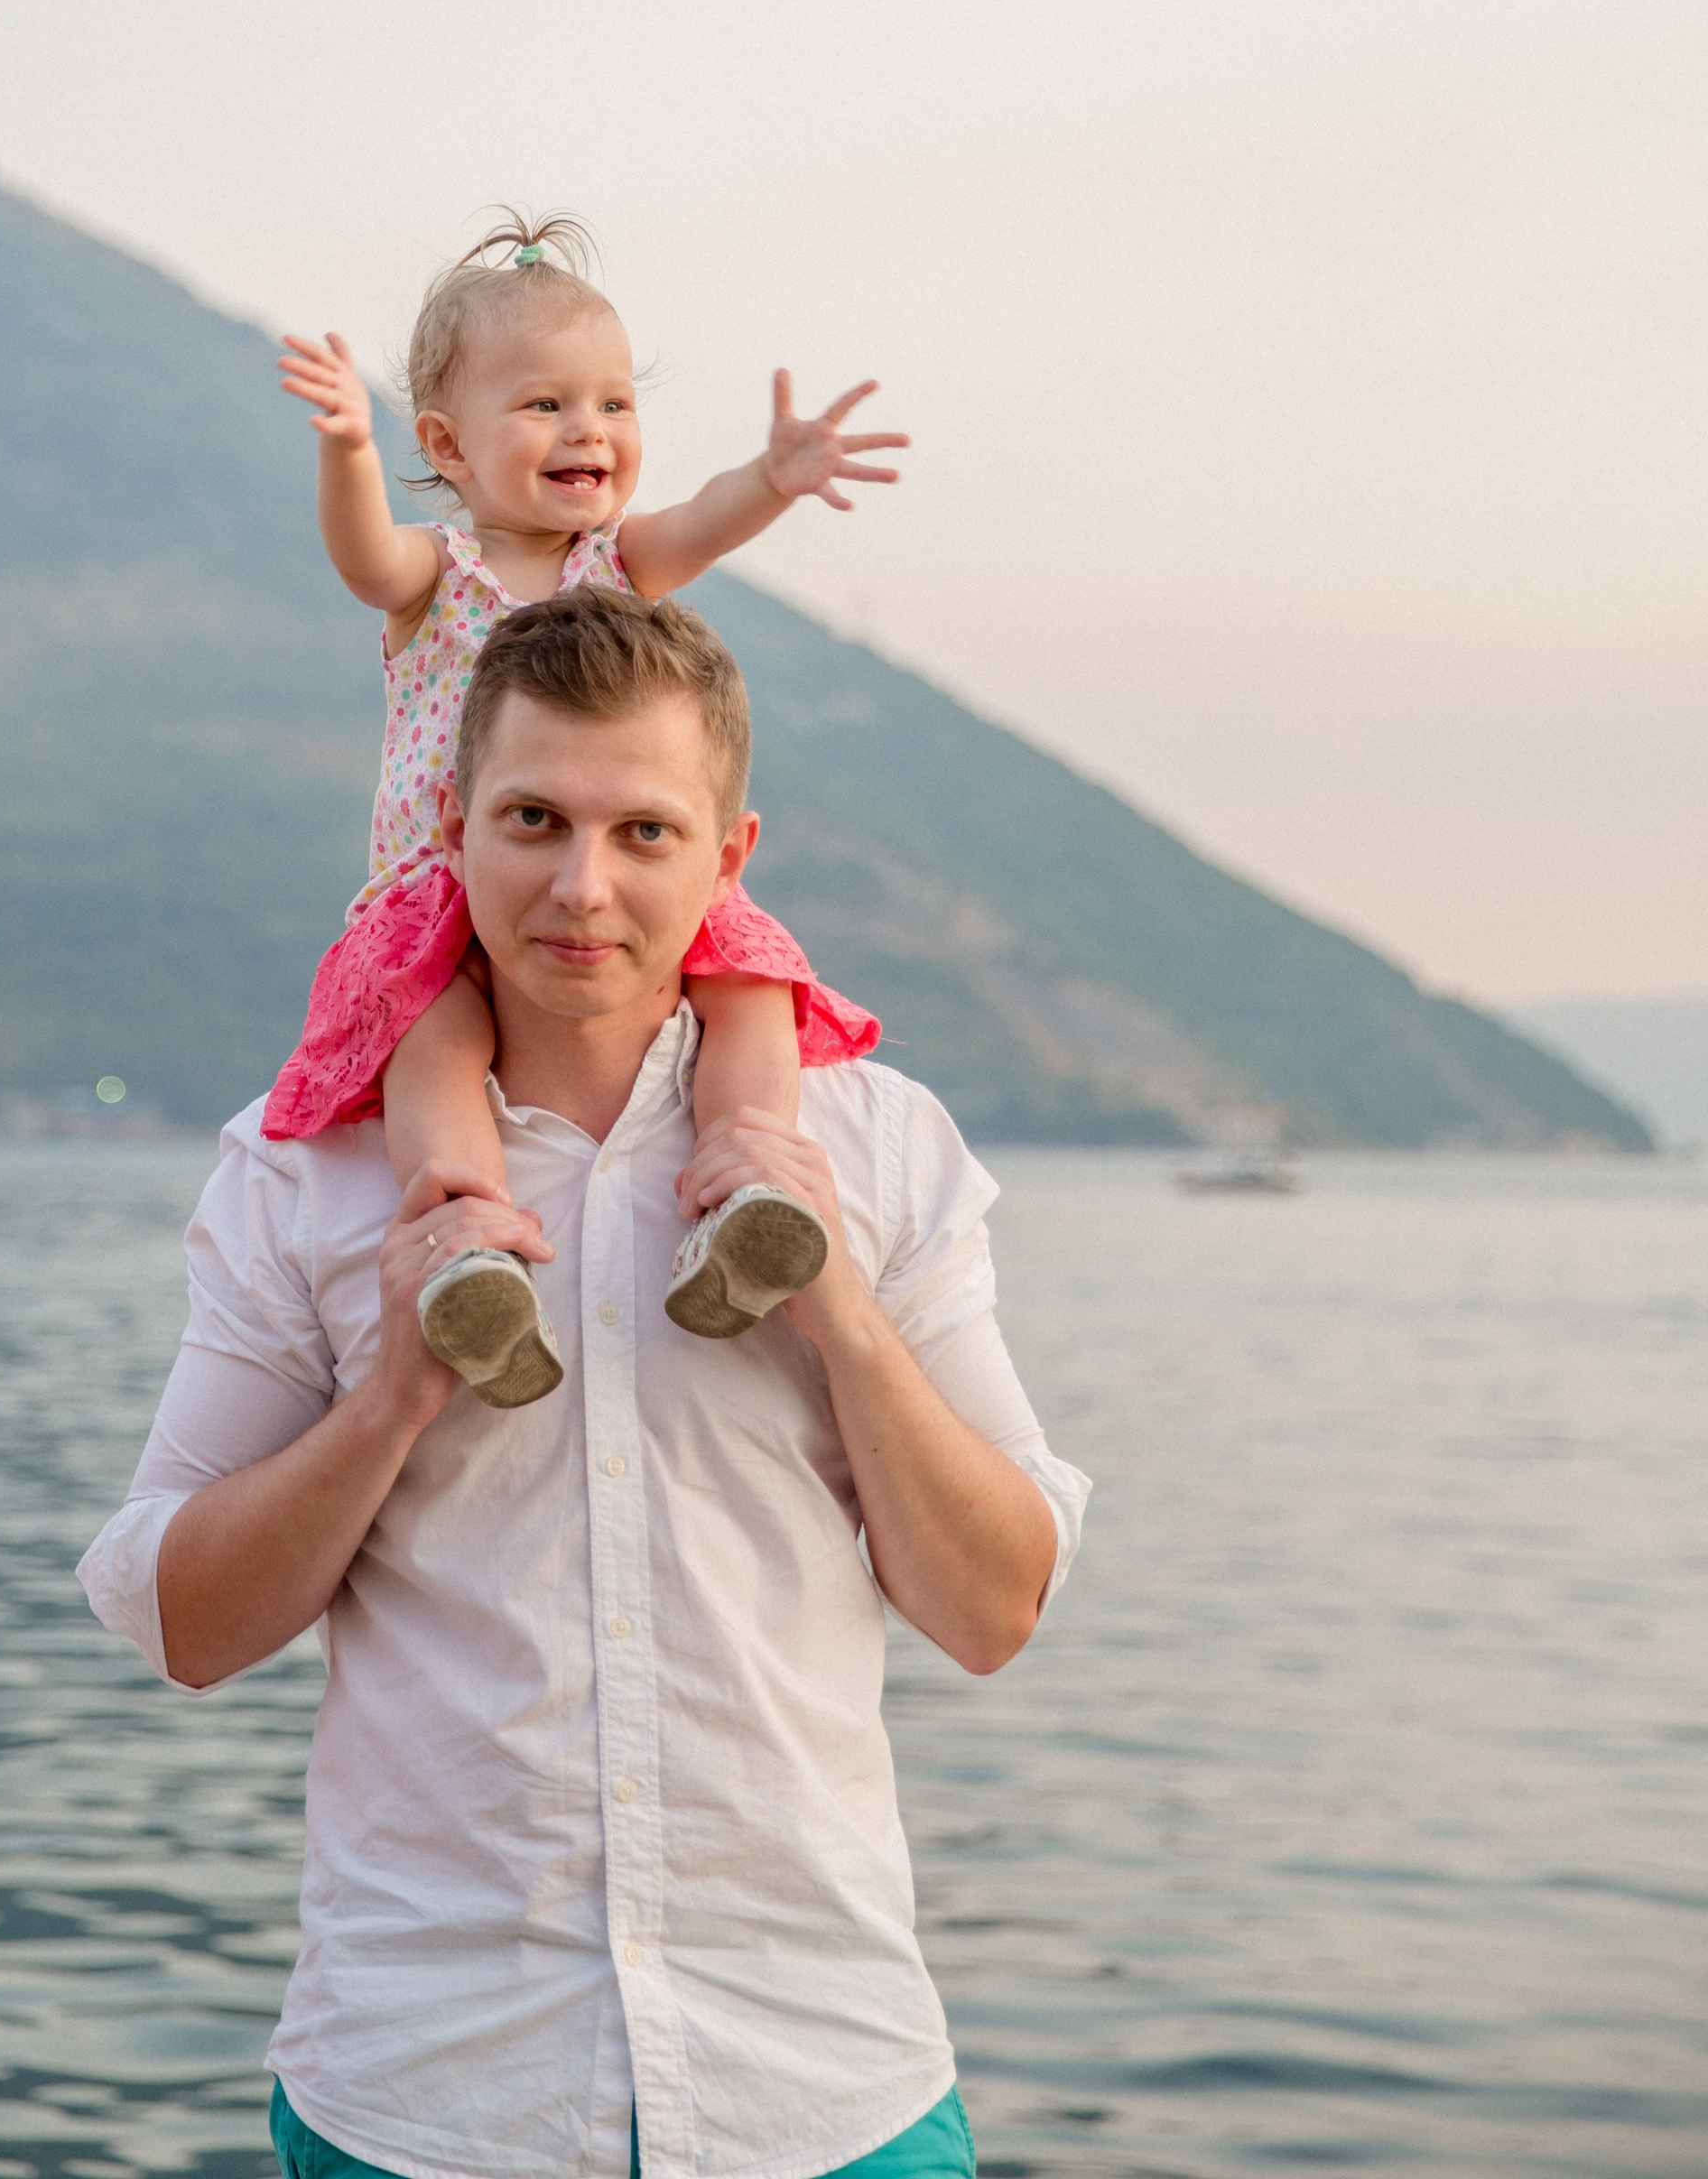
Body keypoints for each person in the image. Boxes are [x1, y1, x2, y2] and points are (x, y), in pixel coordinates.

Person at [79, 588, 1090, 2179]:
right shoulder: (306, 1174)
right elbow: (178, 1620)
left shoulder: (882, 1150)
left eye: (645, 834)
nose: (582, 887)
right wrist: (391, 1400)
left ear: (729, 858)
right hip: (428, 2099)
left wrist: (841, 1317)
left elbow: (994, 1609)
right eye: (534, 820)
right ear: (453, 828)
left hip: (822, 2090)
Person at [270, 212, 913, 1401]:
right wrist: (348, 448)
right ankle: (468, 1243)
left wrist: (773, 480)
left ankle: (749, 1185)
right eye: (547, 404)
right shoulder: (439, 574)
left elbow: (704, 518)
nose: (590, 430)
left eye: (615, 403)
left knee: (751, 985)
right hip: (443, 890)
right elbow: (363, 559)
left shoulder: (618, 562)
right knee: (432, 1044)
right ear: (449, 445)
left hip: (599, 881)